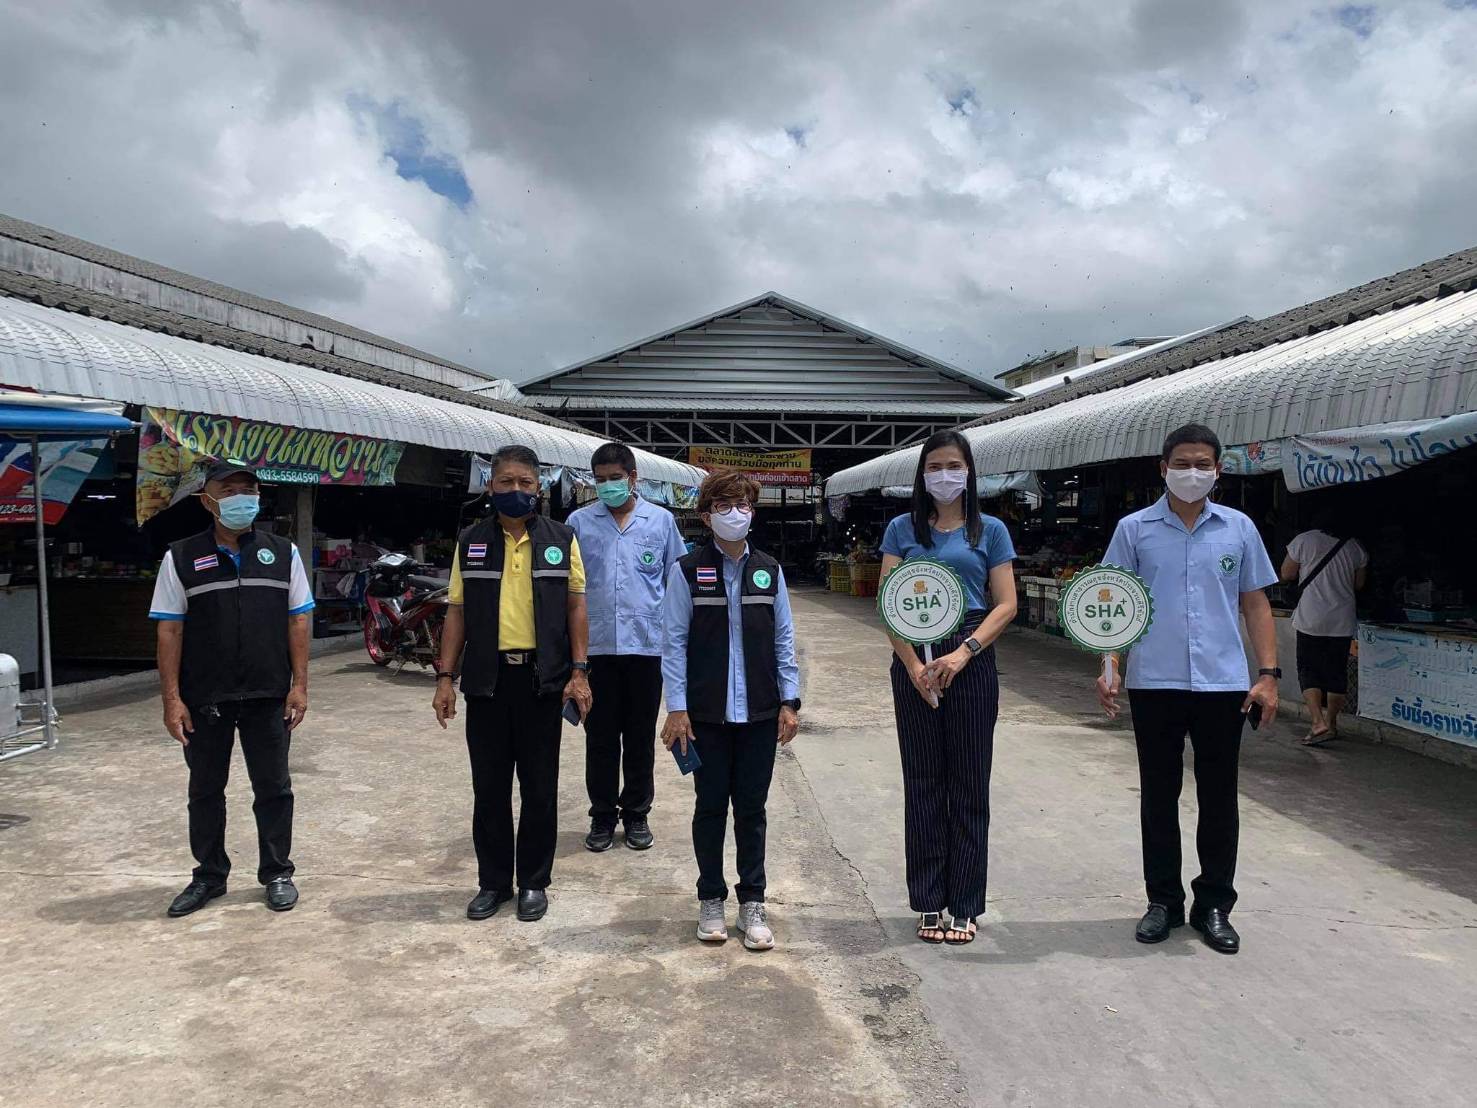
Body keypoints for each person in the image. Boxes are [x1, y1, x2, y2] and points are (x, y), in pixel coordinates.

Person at [1098, 423, 1280, 955]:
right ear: (1163, 468)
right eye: (1182, 463)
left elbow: (1255, 603)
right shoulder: (1134, 530)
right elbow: (1112, 601)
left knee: (1219, 797)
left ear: (1218, 470)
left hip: (1223, 684)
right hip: (1154, 681)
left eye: (1203, 464)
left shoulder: (1239, 529)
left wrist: (1268, 674)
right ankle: (1163, 901)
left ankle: (1214, 906)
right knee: (1159, 796)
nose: (1192, 472)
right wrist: (1109, 664)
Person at [433, 445, 592, 923]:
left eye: (525, 482)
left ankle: (534, 883)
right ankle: (494, 883)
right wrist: (445, 677)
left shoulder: (561, 539)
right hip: (487, 682)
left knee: (540, 789)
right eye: (506, 482)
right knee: (490, 789)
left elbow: (576, 606)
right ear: (490, 485)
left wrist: (579, 672)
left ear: (538, 487)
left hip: (543, 683)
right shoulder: (471, 541)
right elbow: (457, 611)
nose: (516, 490)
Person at [149, 462, 314, 918]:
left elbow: (298, 621)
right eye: (230, 490)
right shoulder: (181, 557)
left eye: (249, 490)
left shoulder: (283, 553)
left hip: (268, 693)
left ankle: (277, 872)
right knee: (205, 790)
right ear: (207, 500)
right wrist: (172, 699)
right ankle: (209, 875)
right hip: (205, 698)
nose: (242, 498)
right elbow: (169, 630)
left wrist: (299, 686)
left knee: (274, 788)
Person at [879, 430, 1017, 947]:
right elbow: (889, 602)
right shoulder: (901, 529)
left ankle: (964, 902)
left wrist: (964, 653)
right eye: (934, 466)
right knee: (923, 781)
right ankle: (928, 899)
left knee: (968, 782)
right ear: (922, 474)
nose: (944, 475)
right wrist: (915, 666)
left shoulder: (991, 531)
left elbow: (1006, 603)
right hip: (915, 652)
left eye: (953, 466)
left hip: (970, 654)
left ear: (969, 472)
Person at [661, 470, 801, 952]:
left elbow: (784, 639)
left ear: (753, 513)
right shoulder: (686, 570)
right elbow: (674, 643)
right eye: (724, 506)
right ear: (706, 516)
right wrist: (677, 708)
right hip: (706, 715)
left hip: (760, 713)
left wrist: (789, 700)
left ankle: (753, 902)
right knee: (710, 807)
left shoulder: (769, 570)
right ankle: (710, 899)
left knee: (752, 810)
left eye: (743, 505)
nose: (735, 513)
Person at [567, 442, 686, 853]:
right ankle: (602, 815)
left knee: (638, 737)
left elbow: (676, 585)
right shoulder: (579, 523)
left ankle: (636, 813)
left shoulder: (661, 522)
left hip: (646, 649)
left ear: (633, 478)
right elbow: (570, 590)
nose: (608, 486)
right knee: (599, 737)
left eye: (615, 478)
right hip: (596, 650)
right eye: (600, 480)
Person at [1280, 512, 1368, 746]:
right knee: (1336, 672)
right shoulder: (1355, 547)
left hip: (1311, 617)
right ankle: (1331, 724)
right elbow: (1359, 584)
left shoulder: (1304, 540)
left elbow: (1286, 573)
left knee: (1308, 669)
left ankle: (1317, 721)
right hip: (1342, 619)